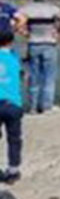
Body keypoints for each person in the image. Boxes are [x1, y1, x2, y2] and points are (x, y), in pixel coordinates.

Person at [18, 0, 60, 114]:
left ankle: (33, 106)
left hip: (34, 43)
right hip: (49, 43)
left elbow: (17, 23)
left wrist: (26, 33)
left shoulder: (26, 9)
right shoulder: (52, 9)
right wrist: (58, 32)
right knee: (49, 77)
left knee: (34, 77)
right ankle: (46, 106)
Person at [0, 30, 24, 184]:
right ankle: (13, 169)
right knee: (14, 138)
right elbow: (21, 74)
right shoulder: (14, 58)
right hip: (13, 103)